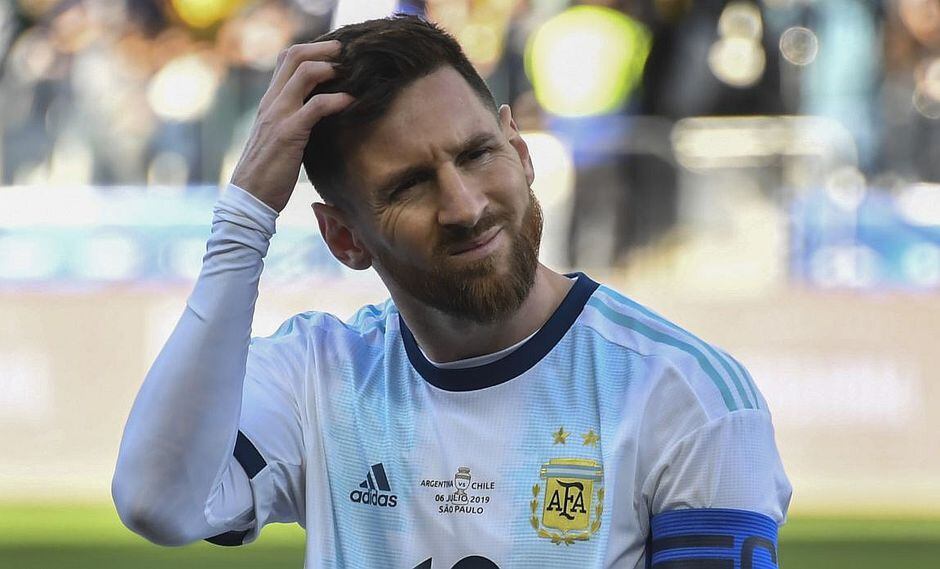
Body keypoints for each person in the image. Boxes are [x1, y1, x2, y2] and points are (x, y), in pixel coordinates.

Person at [112, 15, 791, 569]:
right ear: (344, 237)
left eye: (476, 154)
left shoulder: (688, 397)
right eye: (410, 185)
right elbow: (158, 502)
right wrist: (244, 219)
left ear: (520, 152)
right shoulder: (316, 375)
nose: (464, 206)